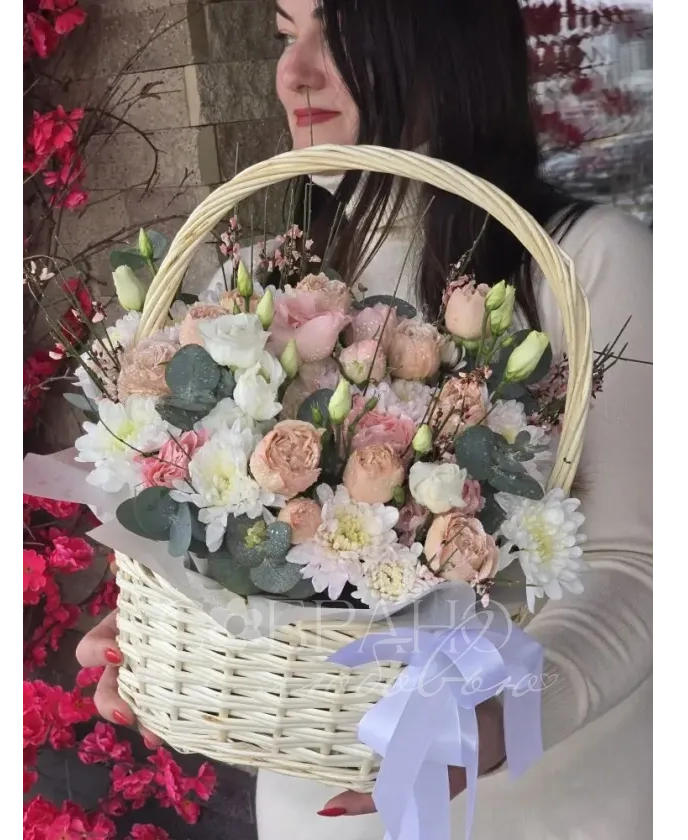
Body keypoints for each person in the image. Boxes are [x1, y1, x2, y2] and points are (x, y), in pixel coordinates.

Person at [76, 1, 659, 838]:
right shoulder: (267, 282)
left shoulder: (591, 261)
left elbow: (641, 568)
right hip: (320, 803)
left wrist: (500, 717)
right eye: (285, 36)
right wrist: (170, 627)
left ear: (443, 38)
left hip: (549, 803)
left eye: (340, 36)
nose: (294, 73)